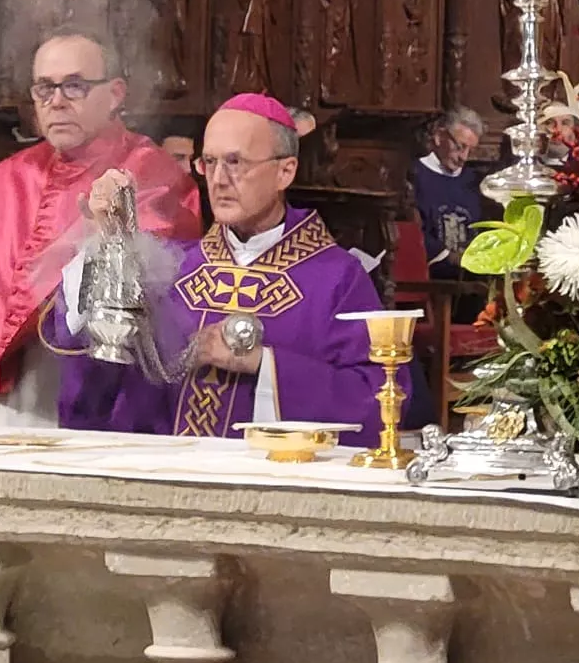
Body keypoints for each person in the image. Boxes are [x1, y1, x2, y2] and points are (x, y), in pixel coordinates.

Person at [0, 30, 202, 426]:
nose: (57, 102)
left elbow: (158, 309)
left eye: (74, 86)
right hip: (10, 412)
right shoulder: (3, 183)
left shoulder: (151, 174)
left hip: (109, 406)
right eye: (44, 88)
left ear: (116, 94)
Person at [51, 95, 406, 441]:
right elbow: (98, 366)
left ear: (285, 172)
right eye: (209, 162)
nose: (218, 180)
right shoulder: (174, 267)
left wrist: (263, 366)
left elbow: (380, 398)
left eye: (235, 162)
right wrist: (106, 246)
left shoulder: (335, 279)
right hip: (170, 479)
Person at [410, 107, 487, 278]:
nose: (464, 157)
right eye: (460, 147)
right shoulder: (413, 175)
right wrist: (448, 257)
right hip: (431, 278)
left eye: (471, 150)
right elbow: (411, 232)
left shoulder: (474, 182)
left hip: (470, 277)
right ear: (439, 136)